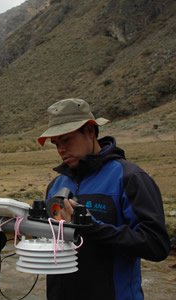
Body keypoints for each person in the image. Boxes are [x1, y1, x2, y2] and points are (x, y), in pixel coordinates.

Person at [37, 98, 170, 300]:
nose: (61, 149)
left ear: (90, 131)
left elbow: (156, 245)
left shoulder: (129, 178)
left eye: (66, 140)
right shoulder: (55, 185)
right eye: (56, 143)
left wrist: (93, 228)